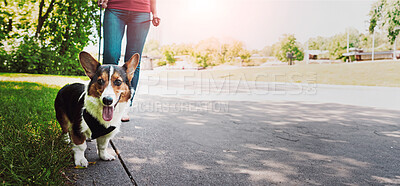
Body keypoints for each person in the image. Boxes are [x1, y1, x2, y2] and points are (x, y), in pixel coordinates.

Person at [98, 0, 160, 122]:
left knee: (133, 62)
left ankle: (124, 105)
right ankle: (105, 101)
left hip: (142, 11)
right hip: (115, 7)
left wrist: (155, 12)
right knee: (110, 56)